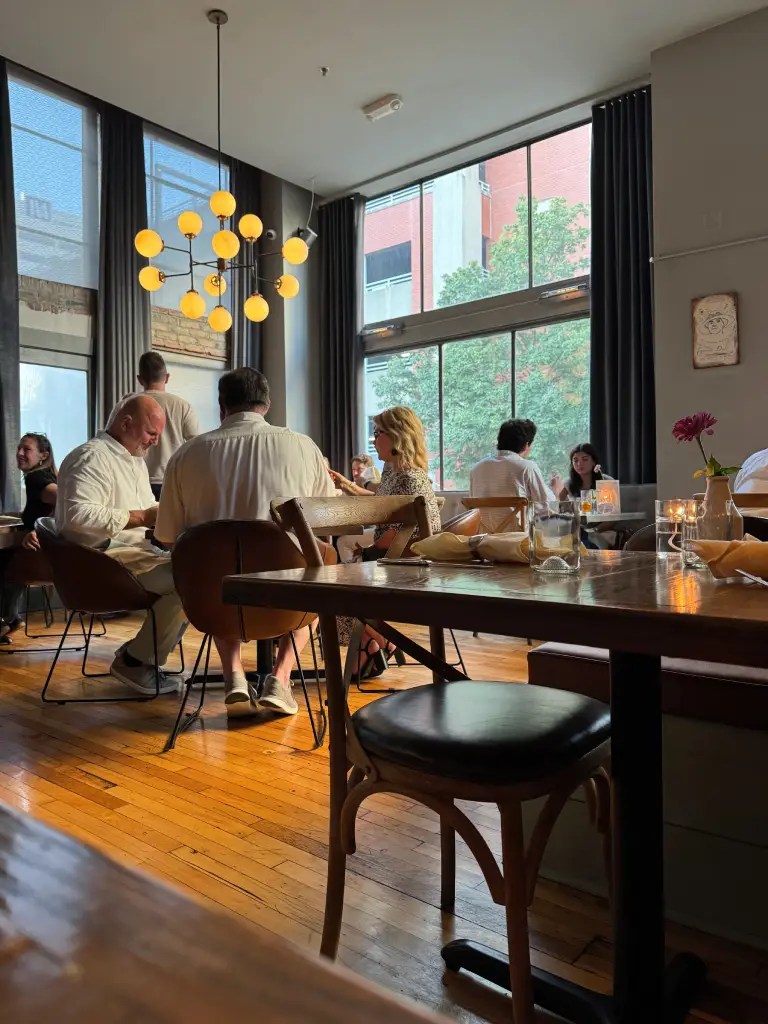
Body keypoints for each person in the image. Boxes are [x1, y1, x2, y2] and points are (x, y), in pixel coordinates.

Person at [155, 367, 337, 717]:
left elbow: (168, 537)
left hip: (214, 601)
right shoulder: (303, 446)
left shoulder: (186, 454)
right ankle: (281, 679)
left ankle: (233, 675)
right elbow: (325, 521)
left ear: (222, 406)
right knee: (319, 580)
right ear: (266, 404)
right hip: (288, 601)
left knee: (218, 572)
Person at [54, 394, 186, 695]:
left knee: (196, 571)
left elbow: (147, 509)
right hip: (98, 564)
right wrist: (144, 516)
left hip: (125, 556)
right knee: (190, 582)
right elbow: (77, 517)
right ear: (126, 423)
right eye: (151, 433)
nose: (155, 442)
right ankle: (135, 661)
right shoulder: (90, 457)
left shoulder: (133, 460)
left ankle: (139, 655)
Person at [336, 406, 441, 678]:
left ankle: (376, 643)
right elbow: (384, 509)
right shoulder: (394, 471)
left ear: (397, 437)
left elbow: (404, 531)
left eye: (377, 433)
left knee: (334, 586)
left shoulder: (408, 477)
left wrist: (367, 553)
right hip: (397, 557)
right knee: (338, 579)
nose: (374, 439)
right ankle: (374, 642)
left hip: (411, 564)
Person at [107, 351, 199, 499]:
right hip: (171, 480)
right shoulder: (182, 406)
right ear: (167, 377)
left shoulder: (125, 405)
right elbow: (196, 447)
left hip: (131, 480)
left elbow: (109, 443)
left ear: (140, 379)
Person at [0, 433, 58, 642]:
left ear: (43, 455)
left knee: (6, 562)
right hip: (49, 559)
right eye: (19, 448)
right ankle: (9, 618)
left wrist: (39, 529)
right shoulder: (45, 476)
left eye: (27, 449)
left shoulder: (36, 478)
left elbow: (66, 502)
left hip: (34, 559)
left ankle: (7, 618)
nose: (19, 453)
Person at [469, 418, 555, 531]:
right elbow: (546, 510)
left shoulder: (476, 468)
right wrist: (556, 492)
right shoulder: (527, 467)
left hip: (482, 542)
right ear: (526, 445)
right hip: (517, 543)